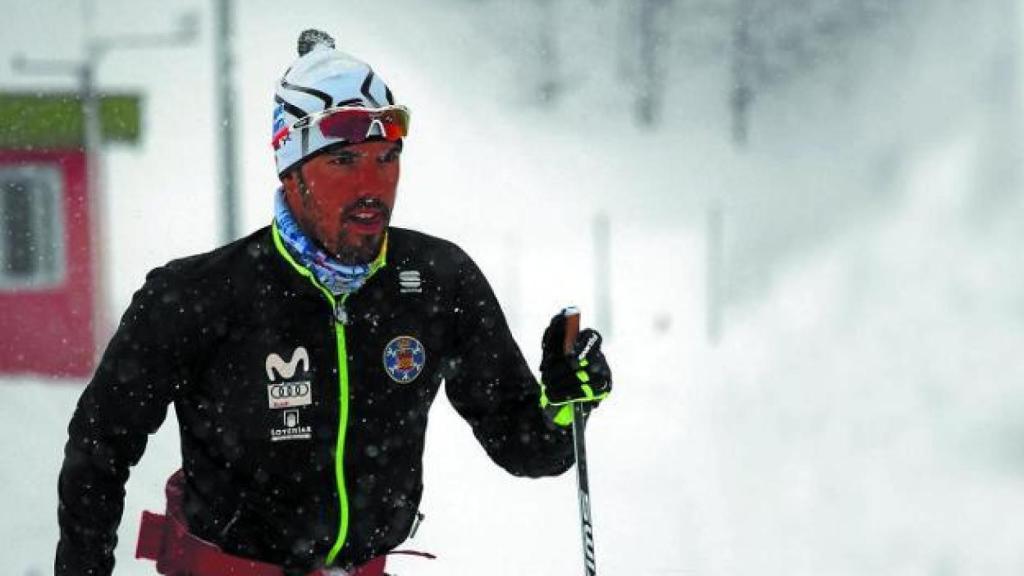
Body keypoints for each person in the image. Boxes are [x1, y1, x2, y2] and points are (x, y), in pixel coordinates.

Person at [55, 29, 611, 576]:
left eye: (386, 158)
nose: (372, 185)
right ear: (290, 170)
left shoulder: (438, 282)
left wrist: (565, 403)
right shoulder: (197, 295)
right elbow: (97, 447)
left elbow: (531, 448)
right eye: (343, 162)